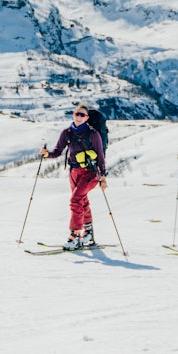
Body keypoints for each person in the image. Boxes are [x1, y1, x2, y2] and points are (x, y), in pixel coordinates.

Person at [40, 104, 108, 249]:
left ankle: (75, 235)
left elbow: (101, 156)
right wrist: (47, 154)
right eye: (77, 114)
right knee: (82, 201)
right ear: (73, 114)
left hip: (90, 173)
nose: (79, 117)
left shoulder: (93, 134)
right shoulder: (67, 133)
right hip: (74, 172)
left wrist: (102, 177)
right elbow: (58, 151)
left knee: (75, 200)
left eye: (82, 115)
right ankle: (88, 233)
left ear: (87, 118)